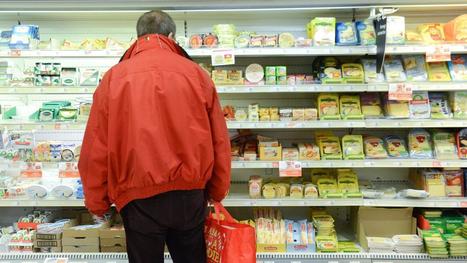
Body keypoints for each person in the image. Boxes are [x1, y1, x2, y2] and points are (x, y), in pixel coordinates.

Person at [78, 10, 231, 263]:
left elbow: (95, 147)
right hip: (189, 195)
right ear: (171, 36)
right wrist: (217, 190)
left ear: (137, 38)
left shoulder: (113, 78)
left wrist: (97, 202)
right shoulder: (197, 75)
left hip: (137, 198)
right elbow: (219, 140)